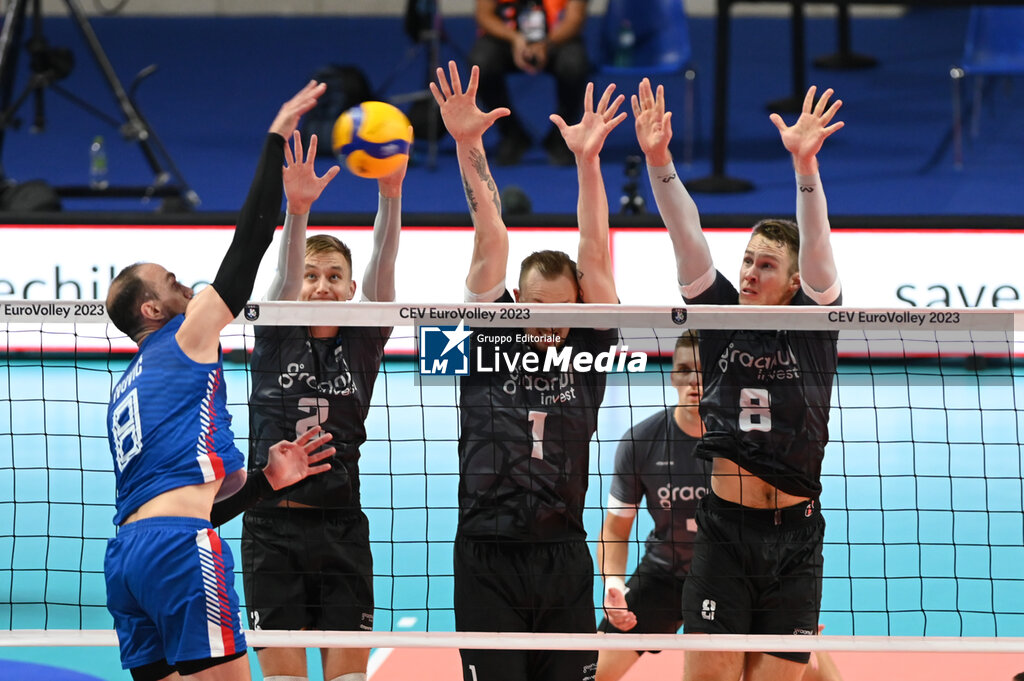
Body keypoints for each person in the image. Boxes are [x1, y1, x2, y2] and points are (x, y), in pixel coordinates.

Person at [103, 82, 337, 681]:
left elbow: (183, 505)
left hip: (128, 560)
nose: (187, 286)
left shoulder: (127, 385)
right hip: (178, 552)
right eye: (171, 281)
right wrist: (275, 136)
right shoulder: (183, 339)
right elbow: (250, 242)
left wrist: (265, 482)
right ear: (150, 311)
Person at [634, 76, 844, 681]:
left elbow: (821, 248)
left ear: (796, 281)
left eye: (766, 265)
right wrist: (659, 162)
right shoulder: (720, 316)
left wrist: (805, 168)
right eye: (747, 259)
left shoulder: (813, 324)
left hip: (798, 538)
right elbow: (687, 235)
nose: (749, 273)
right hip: (726, 530)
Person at [429, 60, 623, 681]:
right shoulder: (485, 339)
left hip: (563, 552)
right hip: (486, 551)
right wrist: (468, 145)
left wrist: (588, 163)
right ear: (515, 299)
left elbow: (594, 249)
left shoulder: (590, 346)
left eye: (560, 307)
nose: (546, 319)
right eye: (533, 305)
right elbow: (491, 238)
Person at [241, 129, 406, 681]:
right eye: (313, 277)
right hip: (271, 530)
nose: (321, 286)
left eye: (335, 277)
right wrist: (297, 210)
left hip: (341, 529)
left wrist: (390, 194)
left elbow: (384, 262)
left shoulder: (364, 337)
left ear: (352, 287)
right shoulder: (275, 330)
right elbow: (284, 277)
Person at [596, 332, 709, 681]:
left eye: (704, 371)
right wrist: (613, 583)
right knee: (589, 673)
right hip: (664, 573)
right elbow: (615, 528)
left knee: (812, 671)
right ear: (672, 375)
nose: (694, 380)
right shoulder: (642, 441)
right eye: (684, 369)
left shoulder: (746, 440)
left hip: (728, 579)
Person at [470, 0, 589, 166]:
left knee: (574, 64)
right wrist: (515, 38)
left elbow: (574, 18)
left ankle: (561, 137)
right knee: (481, 63)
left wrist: (545, 44)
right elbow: (484, 14)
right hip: (508, 38)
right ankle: (512, 134)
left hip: (556, 38)